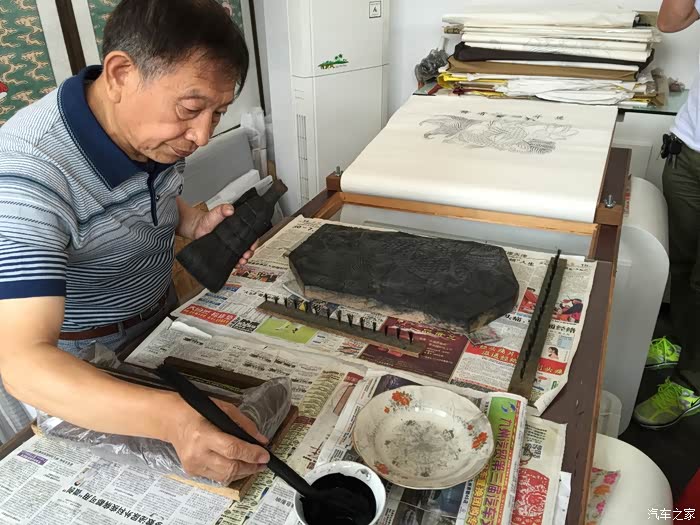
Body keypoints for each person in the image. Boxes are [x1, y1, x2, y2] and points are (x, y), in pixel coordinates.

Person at [0, 0, 269, 483]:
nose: (202, 136)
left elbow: (151, 193)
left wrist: (192, 223)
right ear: (122, 73)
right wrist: (173, 420)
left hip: (155, 321)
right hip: (81, 363)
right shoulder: (27, 173)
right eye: (191, 109)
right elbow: (23, 361)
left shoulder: (150, 132)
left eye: (218, 113)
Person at [633, 0, 700, 428]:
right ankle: (678, 341)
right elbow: (670, 21)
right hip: (690, 149)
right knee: (682, 263)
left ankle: (691, 382)